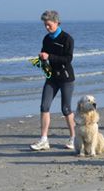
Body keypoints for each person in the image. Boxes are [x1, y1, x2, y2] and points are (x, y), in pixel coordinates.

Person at [30, 10, 76, 151]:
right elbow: (44, 55)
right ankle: (44, 140)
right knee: (44, 106)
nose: (46, 27)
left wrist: (49, 56)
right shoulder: (46, 39)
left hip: (66, 78)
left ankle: (74, 138)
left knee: (66, 109)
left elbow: (68, 59)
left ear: (56, 22)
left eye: (49, 24)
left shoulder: (67, 39)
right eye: (45, 25)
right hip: (51, 78)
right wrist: (41, 60)